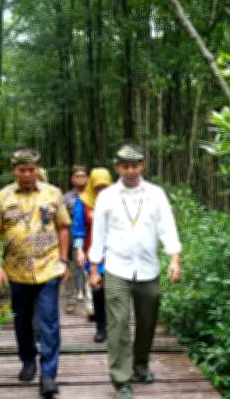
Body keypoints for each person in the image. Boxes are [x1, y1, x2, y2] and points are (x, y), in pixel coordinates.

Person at [89, 143, 182, 399]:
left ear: (142, 166)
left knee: (147, 322)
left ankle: (140, 366)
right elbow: (99, 234)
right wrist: (94, 268)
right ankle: (121, 379)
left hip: (148, 269)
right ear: (117, 168)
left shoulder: (156, 194)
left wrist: (174, 258)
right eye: (125, 166)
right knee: (118, 324)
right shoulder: (107, 196)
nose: (130, 171)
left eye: (135, 166)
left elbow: (167, 226)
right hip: (116, 268)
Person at [0, 148, 71, 397]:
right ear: (14, 170)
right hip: (17, 270)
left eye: (31, 169)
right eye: (22, 170)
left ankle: (48, 374)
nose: (27, 174)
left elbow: (63, 226)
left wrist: (64, 259)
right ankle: (27, 360)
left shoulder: (53, 193)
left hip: (48, 266)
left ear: (38, 169)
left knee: (48, 320)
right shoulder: (2, 197)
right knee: (22, 319)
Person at [71, 168, 113, 342]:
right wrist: (79, 250)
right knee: (97, 290)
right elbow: (78, 229)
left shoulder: (118, 200)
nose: (101, 190)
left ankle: (115, 327)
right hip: (94, 253)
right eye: (97, 187)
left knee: (115, 292)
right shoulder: (83, 202)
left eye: (104, 186)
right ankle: (101, 328)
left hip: (116, 253)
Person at [63, 165, 89, 314]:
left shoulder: (93, 195)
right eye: (77, 176)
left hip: (90, 235)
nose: (80, 179)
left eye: (83, 176)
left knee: (89, 265)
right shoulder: (66, 198)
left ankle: (88, 299)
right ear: (72, 179)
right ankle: (71, 298)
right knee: (73, 265)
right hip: (73, 235)